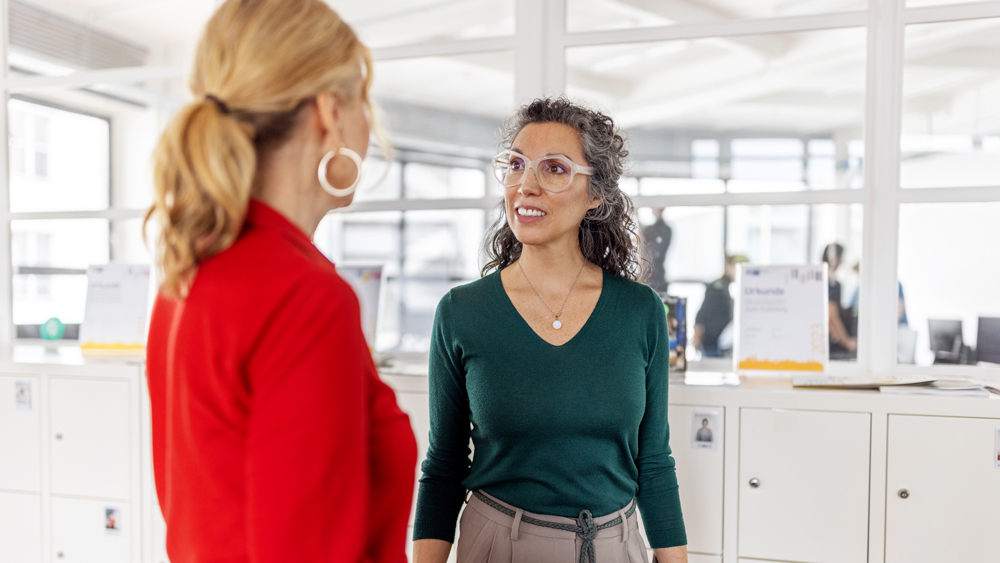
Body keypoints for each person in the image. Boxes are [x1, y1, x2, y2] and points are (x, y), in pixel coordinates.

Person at [143, 1, 417, 562]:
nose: (371, 127)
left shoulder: (187, 276)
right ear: (328, 113)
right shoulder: (304, 298)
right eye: (363, 101)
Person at [413, 98, 688, 563]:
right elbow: (443, 466)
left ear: (595, 193)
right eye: (516, 164)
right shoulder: (462, 312)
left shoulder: (640, 311)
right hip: (497, 546)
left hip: (616, 548)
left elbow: (654, 462)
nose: (526, 185)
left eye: (554, 169)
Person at [693, 254, 748, 358]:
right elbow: (701, 315)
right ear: (729, 266)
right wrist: (697, 338)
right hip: (711, 343)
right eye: (736, 266)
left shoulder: (734, 287)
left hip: (725, 343)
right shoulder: (717, 287)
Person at [823, 243, 857, 357]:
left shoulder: (816, 280)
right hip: (829, 345)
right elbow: (831, 316)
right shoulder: (832, 283)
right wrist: (847, 342)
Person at [642, 207, 672, 293]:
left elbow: (659, 253)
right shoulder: (654, 229)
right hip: (653, 273)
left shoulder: (662, 230)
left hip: (655, 274)